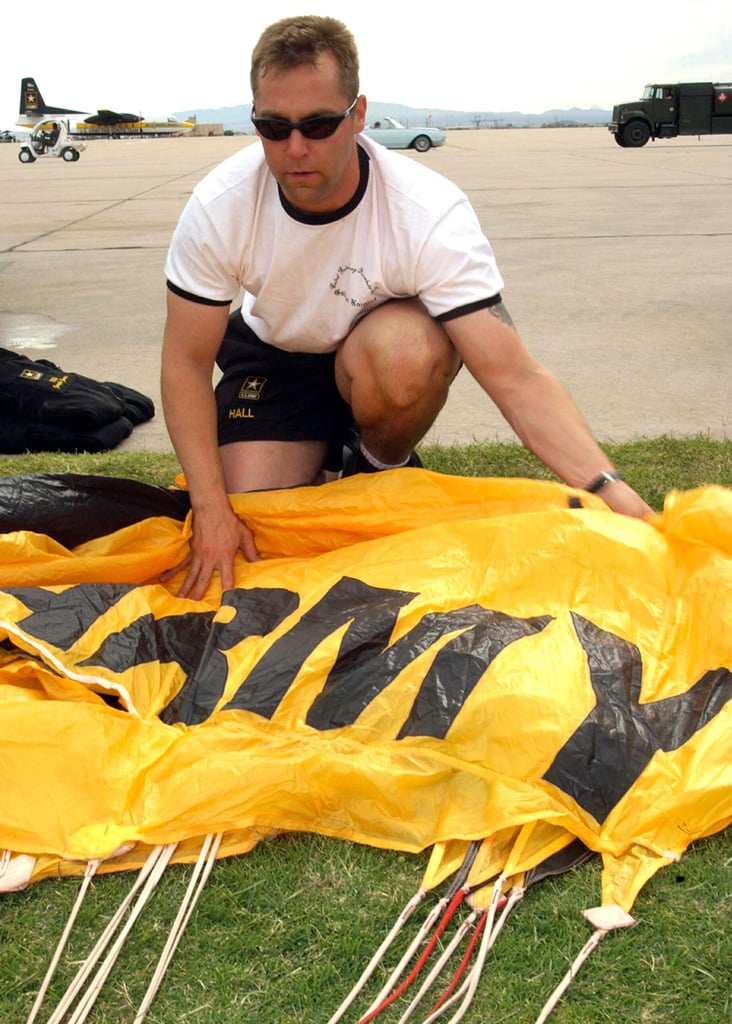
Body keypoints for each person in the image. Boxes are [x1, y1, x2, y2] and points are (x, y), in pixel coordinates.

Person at [161, 14, 652, 601]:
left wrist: (608, 488)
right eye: (273, 127)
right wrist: (211, 508)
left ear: (358, 114)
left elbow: (511, 373)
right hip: (273, 358)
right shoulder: (220, 204)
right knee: (256, 523)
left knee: (409, 351)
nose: (294, 149)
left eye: (318, 125)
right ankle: (315, 456)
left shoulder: (429, 211)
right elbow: (185, 363)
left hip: (374, 355)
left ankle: (375, 462)